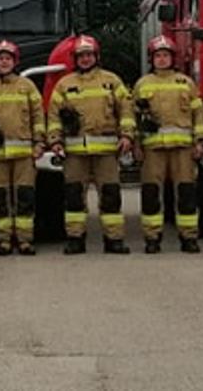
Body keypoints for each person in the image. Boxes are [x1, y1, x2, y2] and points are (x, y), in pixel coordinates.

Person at [48, 35, 135, 255]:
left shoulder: (112, 81)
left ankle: (114, 239)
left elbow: (125, 110)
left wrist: (127, 136)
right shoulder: (64, 85)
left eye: (89, 55)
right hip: (75, 153)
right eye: (81, 56)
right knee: (74, 197)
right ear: (75, 59)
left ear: (96, 56)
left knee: (111, 196)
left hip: (106, 152)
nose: (85, 59)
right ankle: (75, 239)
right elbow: (53, 117)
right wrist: (55, 140)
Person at [135, 34, 203, 254]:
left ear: (173, 58)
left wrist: (200, 142)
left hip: (183, 150)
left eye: (166, 55)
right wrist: (137, 144)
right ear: (151, 59)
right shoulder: (142, 84)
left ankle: (189, 238)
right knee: (151, 193)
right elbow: (133, 117)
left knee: (186, 193)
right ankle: (152, 237)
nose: (162, 59)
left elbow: (199, 115)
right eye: (158, 55)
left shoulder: (186, 83)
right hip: (152, 150)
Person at [0, 39, 45, 256]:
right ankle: (3, 241)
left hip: (23, 154)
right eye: (0, 59)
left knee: (25, 198)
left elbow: (37, 116)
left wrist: (39, 142)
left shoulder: (27, 86)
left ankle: (24, 241)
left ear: (15, 62)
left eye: (8, 59)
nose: (4, 63)